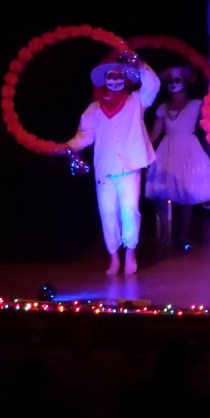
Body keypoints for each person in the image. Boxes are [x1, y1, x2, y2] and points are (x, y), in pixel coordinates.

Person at [63, 52, 160, 275]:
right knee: (107, 211)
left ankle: (130, 254)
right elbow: (85, 134)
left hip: (129, 165)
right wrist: (68, 146)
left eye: (118, 77)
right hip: (105, 167)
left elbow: (153, 85)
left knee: (129, 210)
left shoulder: (137, 101)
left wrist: (140, 64)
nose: (115, 81)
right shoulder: (94, 109)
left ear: (125, 78)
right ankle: (114, 257)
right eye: (110, 77)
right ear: (104, 80)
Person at [145, 64, 210, 248]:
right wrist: (143, 150)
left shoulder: (196, 104)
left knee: (187, 193)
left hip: (188, 149)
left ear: (185, 84)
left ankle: (183, 235)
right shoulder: (162, 107)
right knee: (161, 194)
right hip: (167, 149)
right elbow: (155, 133)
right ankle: (163, 235)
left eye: (177, 80)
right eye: (170, 81)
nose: (173, 84)